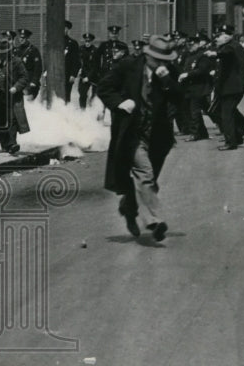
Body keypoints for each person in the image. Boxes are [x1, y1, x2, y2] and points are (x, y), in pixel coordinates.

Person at [96, 36, 182, 242]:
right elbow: (104, 88)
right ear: (147, 55)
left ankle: (128, 208)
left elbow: (180, 97)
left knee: (150, 180)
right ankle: (154, 221)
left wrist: (167, 81)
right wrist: (119, 103)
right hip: (132, 132)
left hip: (158, 135)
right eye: (158, 60)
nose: (162, 64)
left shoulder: (169, 71)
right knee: (145, 174)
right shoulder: (128, 66)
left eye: (165, 60)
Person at [207, 24, 244, 151]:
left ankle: (231, 142)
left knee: (226, 114)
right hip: (225, 87)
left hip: (232, 87)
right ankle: (241, 127)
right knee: (217, 111)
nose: (217, 38)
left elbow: (226, 53)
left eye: (220, 35)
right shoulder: (227, 46)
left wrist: (215, 54)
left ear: (229, 36)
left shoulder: (233, 47)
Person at [0, 37, 29, 154]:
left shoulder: (17, 62)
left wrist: (16, 87)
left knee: (12, 120)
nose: (2, 56)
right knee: (0, 121)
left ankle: (12, 144)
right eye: (0, 53)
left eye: (5, 53)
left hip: (12, 97)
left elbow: (24, 77)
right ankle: (5, 145)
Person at [178, 32, 214, 141]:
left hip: (199, 87)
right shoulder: (189, 56)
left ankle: (195, 133)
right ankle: (202, 133)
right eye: (189, 45)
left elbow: (202, 70)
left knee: (195, 112)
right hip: (190, 87)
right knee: (194, 111)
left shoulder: (202, 55)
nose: (190, 47)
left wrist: (187, 74)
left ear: (198, 44)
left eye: (192, 45)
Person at [77, 33, 98, 109]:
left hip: (93, 76)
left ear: (92, 41)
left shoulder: (95, 51)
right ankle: (82, 110)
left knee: (95, 95)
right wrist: (78, 71)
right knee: (82, 93)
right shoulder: (81, 49)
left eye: (89, 41)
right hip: (83, 75)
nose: (87, 43)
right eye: (86, 41)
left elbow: (95, 66)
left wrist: (88, 78)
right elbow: (78, 62)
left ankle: (92, 109)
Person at [63, 20, 81, 103]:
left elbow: (76, 61)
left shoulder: (73, 43)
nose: (64, 30)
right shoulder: (54, 43)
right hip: (55, 75)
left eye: (66, 28)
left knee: (66, 97)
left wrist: (73, 74)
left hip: (67, 75)